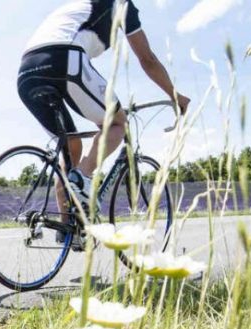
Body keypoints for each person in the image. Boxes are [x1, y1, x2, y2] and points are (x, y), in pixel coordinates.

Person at [17, 0, 190, 215]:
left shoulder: (76, 9)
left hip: (26, 72)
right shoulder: (121, 3)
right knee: (117, 123)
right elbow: (147, 59)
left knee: (71, 146)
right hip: (64, 58)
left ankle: (68, 228)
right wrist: (174, 94)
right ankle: (84, 175)